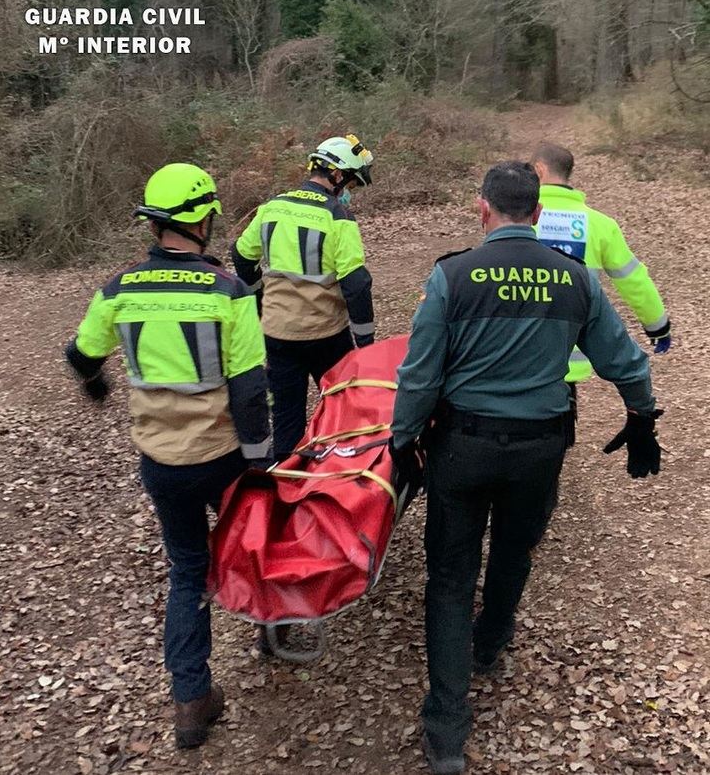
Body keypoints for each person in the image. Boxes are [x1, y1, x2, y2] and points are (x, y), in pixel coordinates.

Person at [389, 161, 663, 775]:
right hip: (540, 448)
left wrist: (403, 441)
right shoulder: (576, 280)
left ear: (482, 208)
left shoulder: (451, 276)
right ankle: (490, 643)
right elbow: (627, 361)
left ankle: (447, 727)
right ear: (538, 213)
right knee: (514, 551)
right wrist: (643, 417)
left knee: (451, 576)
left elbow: (420, 372)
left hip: (461, 447)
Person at [64, 163, 271, 750]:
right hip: (224, 455)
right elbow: (251, 388)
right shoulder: (228, 292)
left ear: (154, 224)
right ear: (203, 219)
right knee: (253, 546)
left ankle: (190, 701)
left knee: (187, 572)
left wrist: (95, 384)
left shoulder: (118, 291)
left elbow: (81, 355)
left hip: (161, 461)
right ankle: (274, 635)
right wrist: (260, 464)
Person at [232, 134, 375, 459]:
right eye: (351, 181)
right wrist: (365, 344)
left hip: (278, 333)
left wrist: (258, 299)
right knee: (343, 411)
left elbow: (241, 256)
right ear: (337, 176)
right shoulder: (338, 217)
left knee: (286, 420)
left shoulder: (271, 208)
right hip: (327, 334)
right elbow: (355, 284)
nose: (349, 190)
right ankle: (339, 481)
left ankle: (287, 486)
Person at [532, 142, 671, 387]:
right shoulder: (599, 224)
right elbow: (633, 280)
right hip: (569, 351)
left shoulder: (514, 217)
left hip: (517, 349)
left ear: (539, 170)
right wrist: (657, 325)